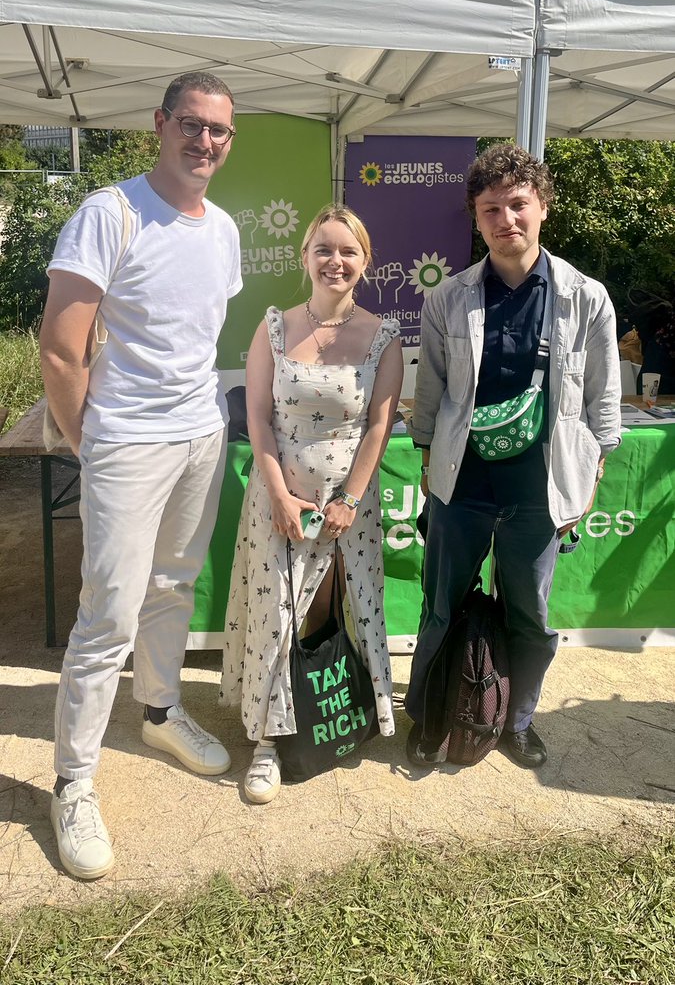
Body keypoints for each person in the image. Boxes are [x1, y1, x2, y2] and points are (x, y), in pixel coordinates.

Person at [40, 71, 241, 879]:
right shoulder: (109, 213)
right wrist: (94, 441)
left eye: (218, 131)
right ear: (160, 125)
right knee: (106, 614)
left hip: (201, 435)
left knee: (173, 585)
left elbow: (192, 343)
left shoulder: (222, 228)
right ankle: (72, 781)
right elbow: (60, 347)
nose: (204, 142)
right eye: (191, 125)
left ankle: (158, 710)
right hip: (126, 443)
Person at [406, 143, 622, 769]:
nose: (507, 220)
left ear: (543, 208)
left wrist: (592, 472)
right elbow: (433, 391)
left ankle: (518, 720)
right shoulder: (448, 297)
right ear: (476, 219)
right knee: (441, 605)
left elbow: (604, 398)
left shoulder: (586, 297)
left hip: (541, 487)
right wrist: (427, 458)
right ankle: (430, 716)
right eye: (491, 208)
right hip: (462, 483)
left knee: (530, 613)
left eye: (518, 205)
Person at [220, 205, 403, 804]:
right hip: (277, 500)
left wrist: (349, 498)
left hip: (350, 505)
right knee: (279, 616)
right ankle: (269, 743)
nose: (336, 261)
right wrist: (278, 495)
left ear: (365, 261)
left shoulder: (383, 337)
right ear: (305, 258)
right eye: (324, 249)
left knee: (336, 612)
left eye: (348, 251)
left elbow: (379, 425)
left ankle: (349, 712)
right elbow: (257, 420)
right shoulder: (272, 327)